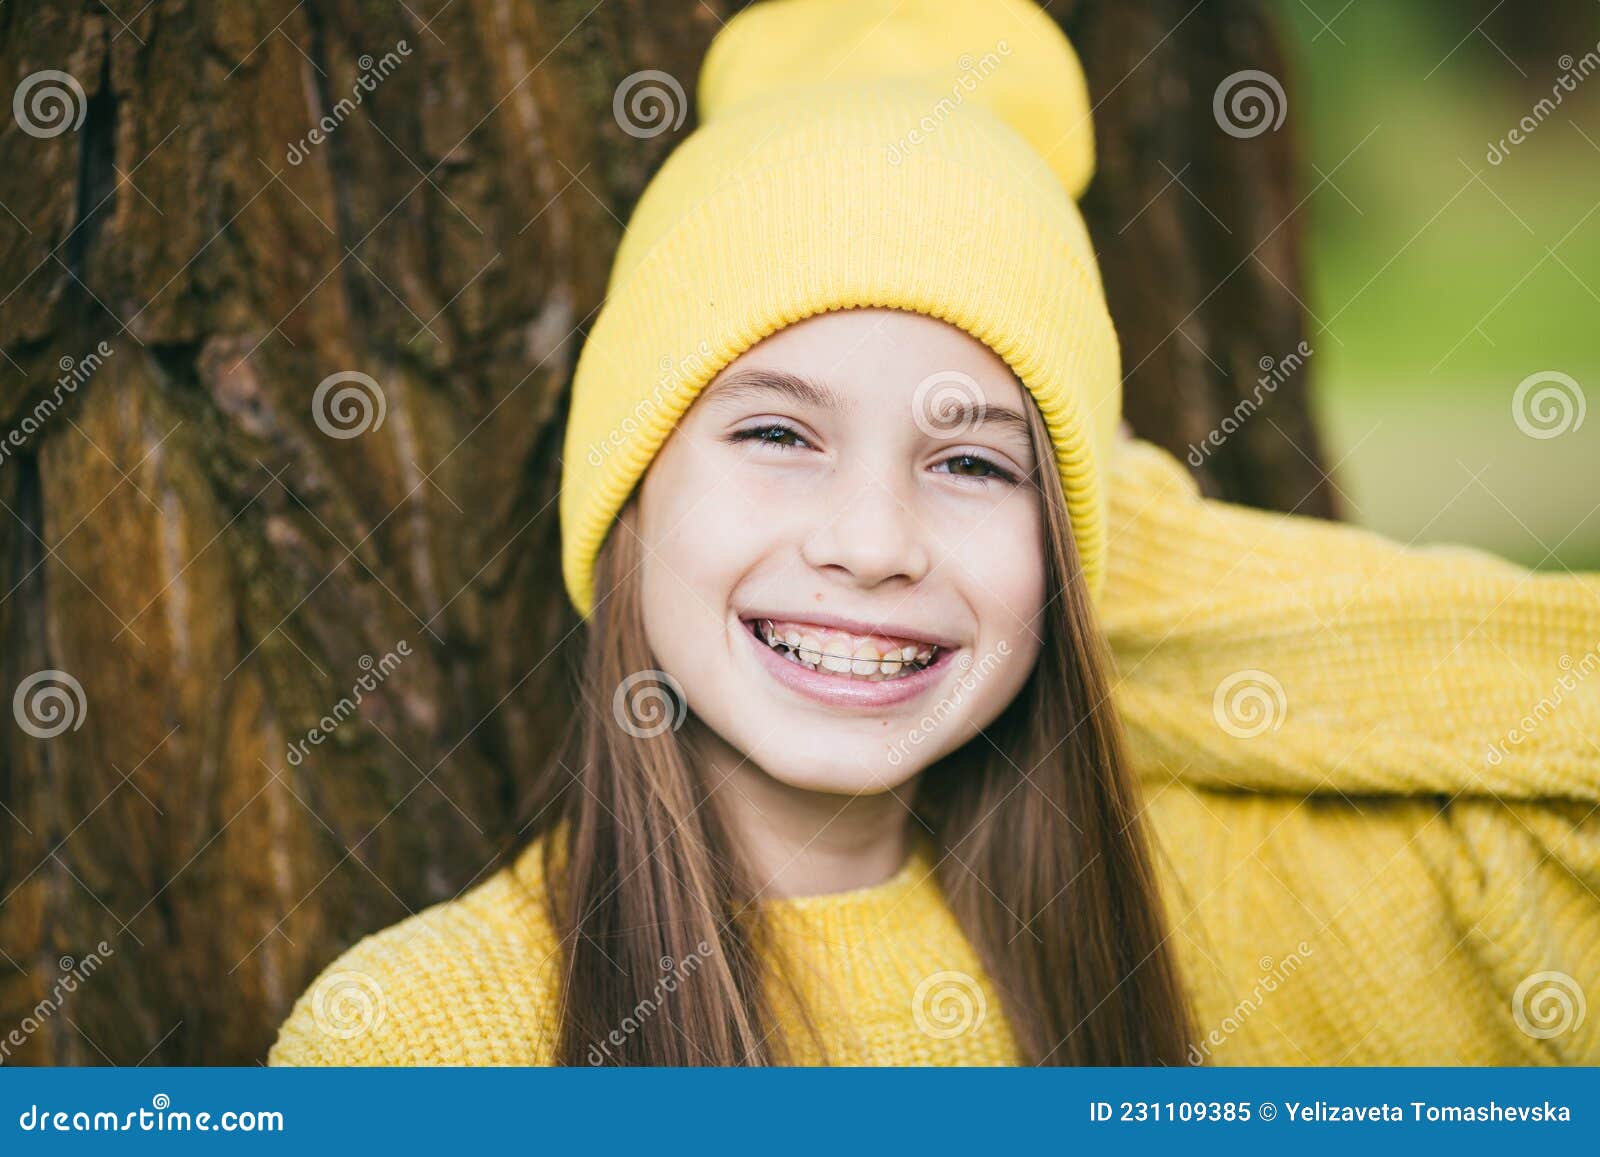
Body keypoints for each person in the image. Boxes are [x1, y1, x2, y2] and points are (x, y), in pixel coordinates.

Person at [269, 0, 1600, 1066]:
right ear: (626, 488)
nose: (871, 540)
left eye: (969, 460)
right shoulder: (425, 1043)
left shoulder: (1254, 913)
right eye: (778, 434)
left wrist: (1117, 560)